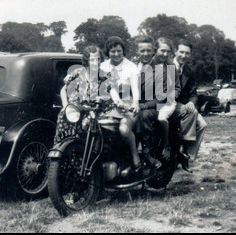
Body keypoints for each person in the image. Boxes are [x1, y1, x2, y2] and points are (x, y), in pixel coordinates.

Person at [54, 45, 112, 145]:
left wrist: (103, 98)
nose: (96, 63)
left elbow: (110, 94)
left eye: (98, 59)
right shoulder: (77, 72)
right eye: (92, 60)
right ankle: (61, 150)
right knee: (63, 116)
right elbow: (63, 90)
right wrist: (65, 106)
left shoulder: (104, 76)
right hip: (75, 109)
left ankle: (85, 154)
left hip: (92, 111)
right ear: (87, 61)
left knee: (87, 125)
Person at [135, 36, 180, 169]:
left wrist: (171, 96)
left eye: (168, 52)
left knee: (150, 116)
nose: (165, 54)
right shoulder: (136, 66)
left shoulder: (167, 67)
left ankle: (148, 152)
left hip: (161, 101)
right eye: (162, 51)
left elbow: (167, 92)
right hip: (142, 102)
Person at [100, 36, 142, 176]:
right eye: (113, 51)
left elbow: (135, 88)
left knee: (124, 129)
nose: (116, 54)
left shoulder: (131, 66)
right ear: (108, 52)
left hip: (127, 104)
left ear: (123, 50)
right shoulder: (103, 66)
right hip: (108, 105)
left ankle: (135, 158)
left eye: (119, 51)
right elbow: (108, 86)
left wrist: (135, 102)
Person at [172, 39, 207, 172]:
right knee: (191, 113)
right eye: (181, 52)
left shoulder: (189, 71)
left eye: (187, 53)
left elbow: (193, 93)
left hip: (184, 105)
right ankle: (181, 150)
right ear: (175, 51)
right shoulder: (167, 66)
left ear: (190, 55)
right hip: (169, 104)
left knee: (203, 125)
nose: (184, 56)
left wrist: (191, 102)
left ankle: (187, 154)